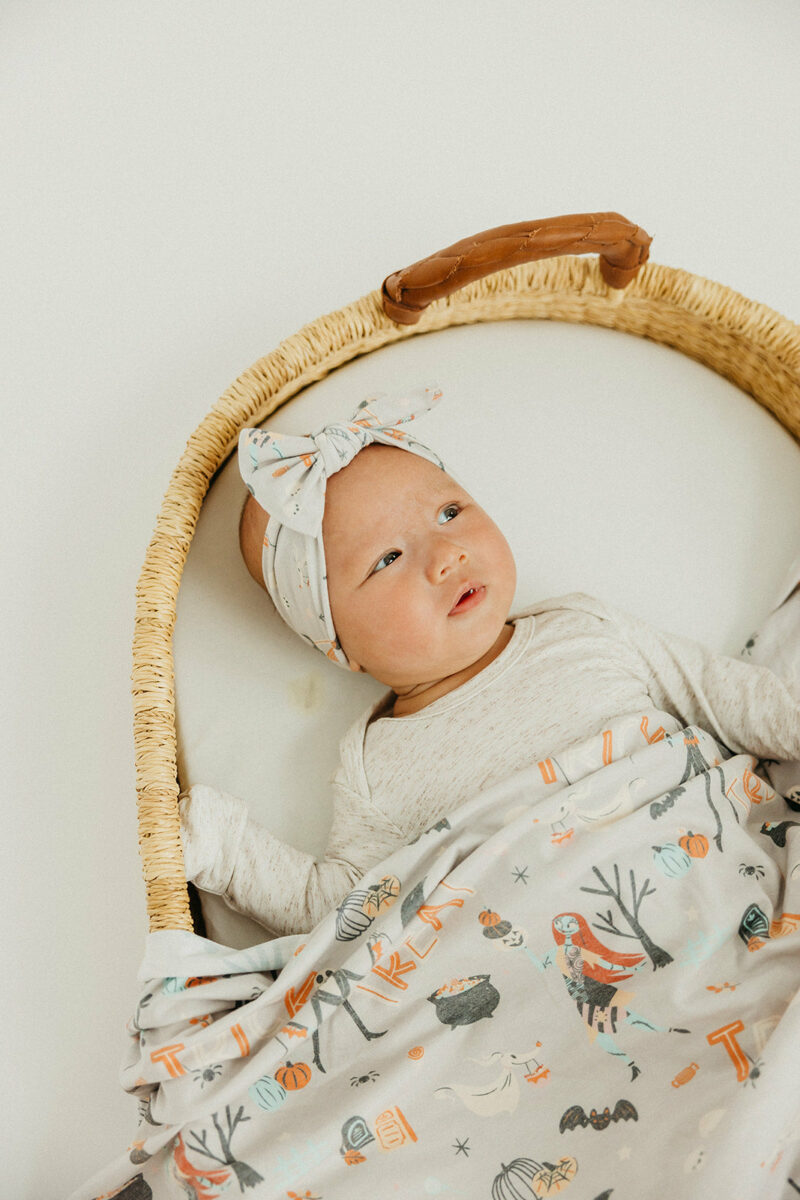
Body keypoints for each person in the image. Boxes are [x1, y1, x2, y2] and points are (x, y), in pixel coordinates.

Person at [179, 383, 800, 938]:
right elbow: (344, 914)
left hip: (733, 883)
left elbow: (738, 701)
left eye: (449, 513)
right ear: (341, 646)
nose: (444, 554)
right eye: (388, 559)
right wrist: (228, 852)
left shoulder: (583, 627)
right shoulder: (379, 763)